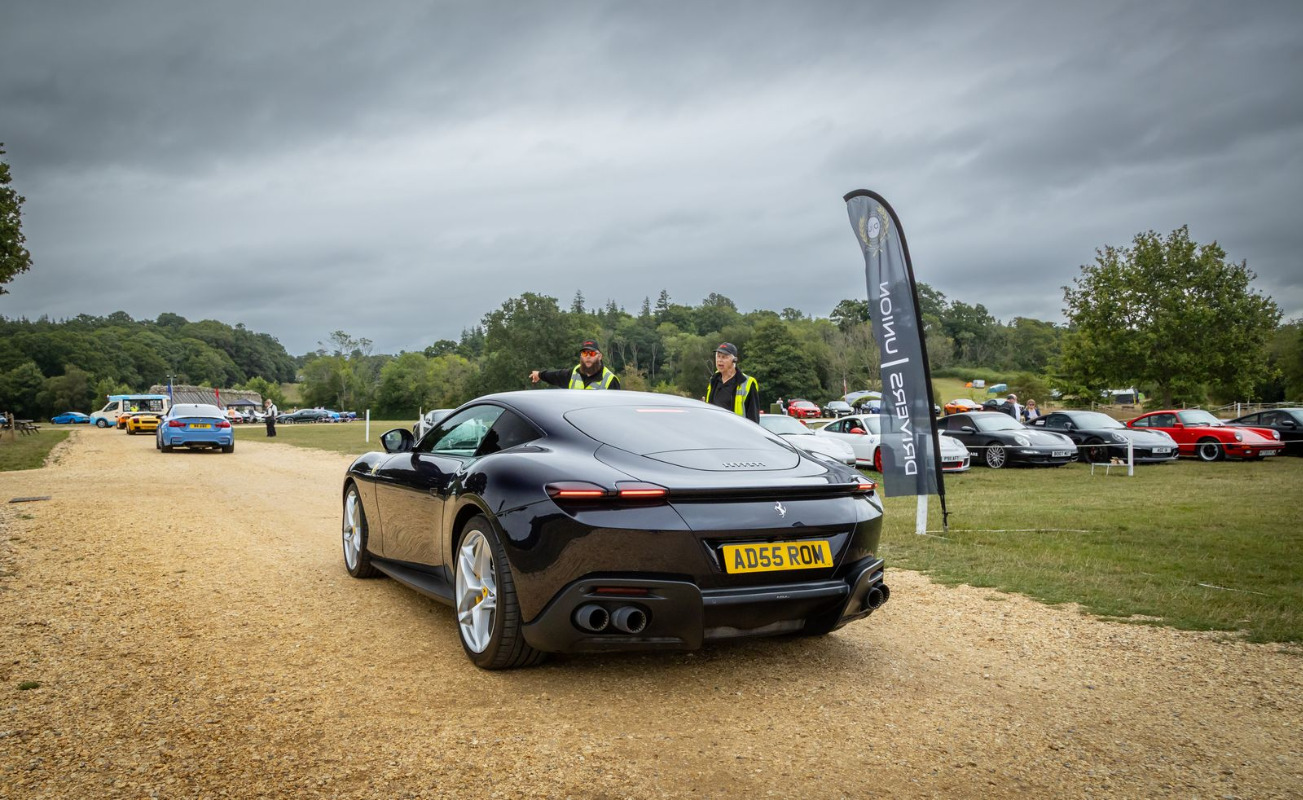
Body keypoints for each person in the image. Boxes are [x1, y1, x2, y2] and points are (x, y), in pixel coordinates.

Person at [530, 340, 622, 390]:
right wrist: (539, 375)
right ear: (581, 356)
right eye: (584, 353)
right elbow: (555, 376)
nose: (588, 356)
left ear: (600, 356)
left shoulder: (610, 380)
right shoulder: (574, 373)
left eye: (592, 353)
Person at [705, 342, 760, 423]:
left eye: (724, 357)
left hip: (736, 429)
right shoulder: (713, 380)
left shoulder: (747, 383)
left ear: (734, 360)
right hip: (714, 428)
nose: (720, 360)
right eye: (718, 356)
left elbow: (753, 418)